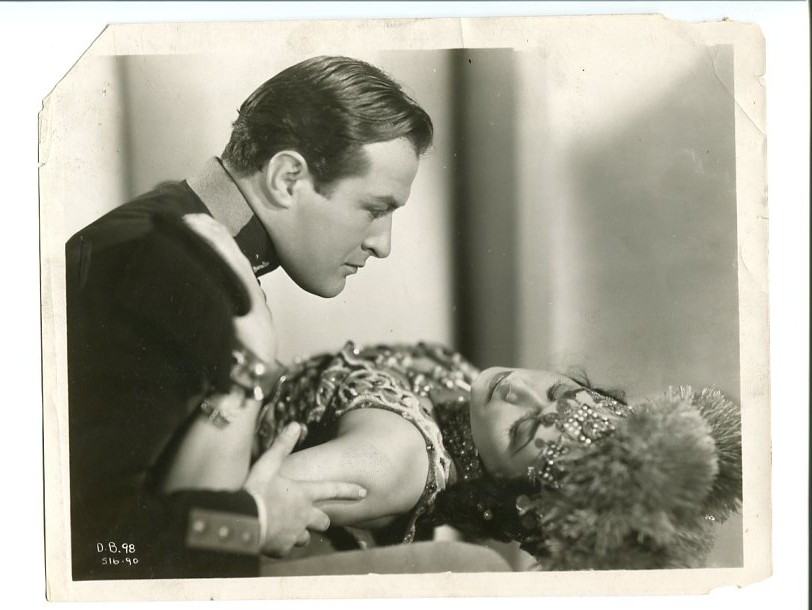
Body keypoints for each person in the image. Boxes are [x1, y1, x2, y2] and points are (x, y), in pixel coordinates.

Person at [64, 55, 434, 580]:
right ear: (287, 178)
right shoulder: (166, 272)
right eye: (375, 209)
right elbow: (90, 544)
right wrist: (251, 525)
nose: (383, 244)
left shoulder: (179, 232)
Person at [165, 340, 742, 572]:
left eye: (524, 430)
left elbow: (203, 523)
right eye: (558, 390)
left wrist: (245, 362)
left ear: (515, 497)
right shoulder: (463, 397)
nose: (520, 390)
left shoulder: (402, 461)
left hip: (163, 436)